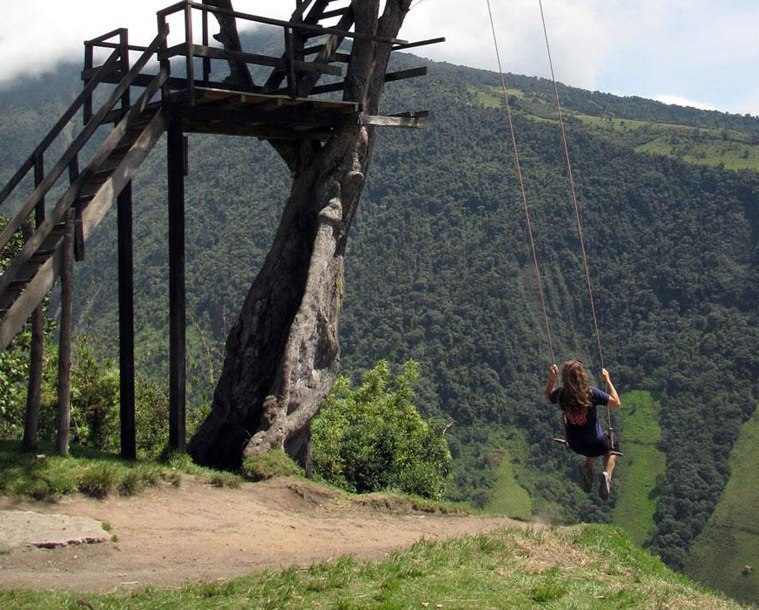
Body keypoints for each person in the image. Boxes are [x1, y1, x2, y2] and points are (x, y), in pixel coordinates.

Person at [544, 360, 621, 500]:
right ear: (581, 376)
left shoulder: (561, 394)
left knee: (587, 438)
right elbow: (616, 402)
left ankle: (588, 467)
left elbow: (548, 398)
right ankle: (607, 476)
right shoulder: (591, 393)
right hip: (597, 444)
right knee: (612, 440)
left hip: (576, 445)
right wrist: (607, 380)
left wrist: (551, 380)